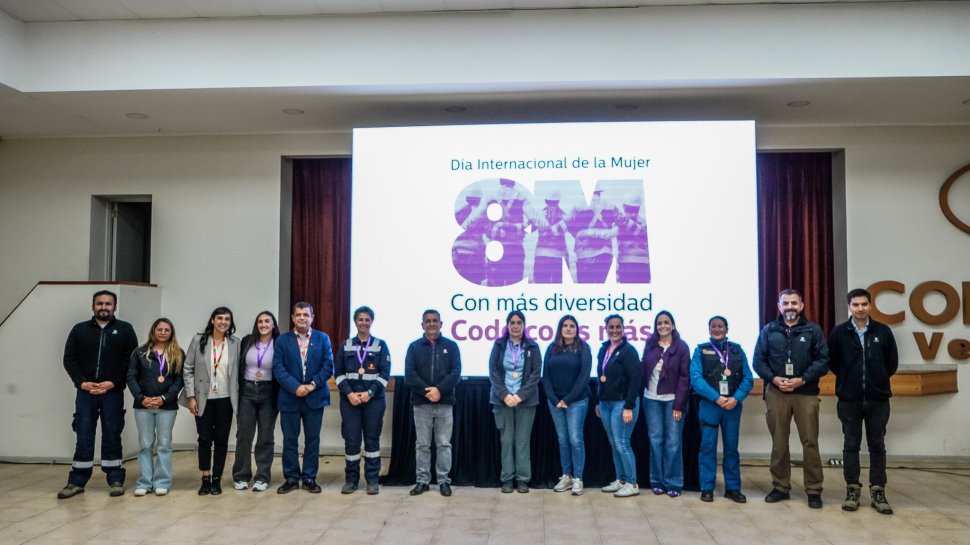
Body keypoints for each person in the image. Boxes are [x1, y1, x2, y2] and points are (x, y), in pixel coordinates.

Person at [753, 289, 830, 508]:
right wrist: (774, 379)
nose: (790, 307)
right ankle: (780, 487)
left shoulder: (813, 330)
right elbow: (758, 360)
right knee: (779, 443)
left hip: (805, 393)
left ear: (802, 305)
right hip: (777, 393)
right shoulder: (768, 330)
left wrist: (802, 380)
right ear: (779, 306)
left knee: (810, 442)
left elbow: (823, 360)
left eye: (794, 303)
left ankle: (814, 490)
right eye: (785, 303)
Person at [58, 290, 139, 499]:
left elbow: (129, 361)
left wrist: (113, 383)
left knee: (112, 434)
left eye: (108, 304)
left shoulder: (125, 330)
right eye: (100, 303)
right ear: (93, 306)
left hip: (112, 393)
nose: (104, 307)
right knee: (83, 434)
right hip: (85, 394)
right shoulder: (79, 330)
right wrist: (82, 382)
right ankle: (76, 481)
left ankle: (115, 479)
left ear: (115, 306)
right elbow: (69, 359)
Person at [828, 289, 899, 515]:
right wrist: (850, 383)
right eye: (856, 305)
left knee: (877, 445)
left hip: (878, 400)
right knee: (851, 445)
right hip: (850, 401)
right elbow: (834, 364)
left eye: (864, 304)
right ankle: (852, 490)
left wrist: (876, 381)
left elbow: (891, 364)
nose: (860, 308)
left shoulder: (883, 332)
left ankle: (878, 491)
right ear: (849, 306)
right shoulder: (839, 333)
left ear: (870, 306)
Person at [689, 315, 754, 503]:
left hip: (732, 406)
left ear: (727, 329)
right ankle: (707, 487)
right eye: (713, 326)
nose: (717, 329)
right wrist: (716, 398)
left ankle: (733, 488)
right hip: (710, 404)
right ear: (709, 330)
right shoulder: (700, 351)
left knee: (731, 448)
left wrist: (736, 398)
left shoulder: (737, 350)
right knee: (707, 447)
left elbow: (748, 379)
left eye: (721, 326)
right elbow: (696, 379)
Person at [273, 302, 333, 494]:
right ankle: (291, 478)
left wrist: (311, 385)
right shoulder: (282, 341)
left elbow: (328, 366)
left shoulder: (323, 339)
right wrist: (295, 387)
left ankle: (309, 477)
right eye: (298, 315)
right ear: (292, 318)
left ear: (312, 317)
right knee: (290, 440)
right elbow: (278, 368)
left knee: (312, 440)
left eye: (305, 315)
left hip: (315, 397)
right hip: (290, 398)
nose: (302, 318)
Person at [181, 306, 240, 496]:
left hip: (225, 399)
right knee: (204, 439)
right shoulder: (199, 340)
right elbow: (188, 368)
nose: (223, 322)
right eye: (220, 318)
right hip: (202, 398)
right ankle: (205, 478)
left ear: (230, 323)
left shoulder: (235, 343)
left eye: (227, 319)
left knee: (221, 440)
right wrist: (191, 397)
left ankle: (217, 479)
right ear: (213, 320)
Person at [405, 309, 461, 497]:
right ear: (422, 325)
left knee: (444, 444)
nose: (431, 324)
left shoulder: (451, 346)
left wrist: (439, 390)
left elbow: (455, 372)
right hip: (421, 403)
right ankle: (423, 481)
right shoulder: (414, 347)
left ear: (441, 324)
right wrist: (427, 391)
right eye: (427, 321)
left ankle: (444, 481)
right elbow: (410, 374)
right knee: (422, 445)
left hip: (445, 403)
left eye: (434, 320)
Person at [335, 306, 391, 495]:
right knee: (351, 441)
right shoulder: (345, 345)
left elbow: (384, 374)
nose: (364, 323)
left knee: (372, 441)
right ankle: (351, 480)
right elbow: (339, 373)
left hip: (373, 401)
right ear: (355, 321)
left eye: (367, 320)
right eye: (360, 319)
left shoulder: (380, 345)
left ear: (371, 322)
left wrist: (370, 393)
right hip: (350, 401)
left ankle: (372, 480)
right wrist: (350, 393)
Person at [127, 318, 184, 496]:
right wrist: (141, 398)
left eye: (167, 330)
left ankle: (162, 481)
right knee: (145, 444)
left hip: (167, 407)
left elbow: (179, 380)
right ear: (153, 331)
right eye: (159, 329)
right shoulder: (140, 352)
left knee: (164, 445)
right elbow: (131, 376)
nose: (163, 332)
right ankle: (144, 482)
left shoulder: (177, 353)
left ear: (171, 333)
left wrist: (164, 398)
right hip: (143, 406)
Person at [489, 310, 542, 493]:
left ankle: (522, 479)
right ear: (507, 325)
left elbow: (536, 374)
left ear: (524, 325)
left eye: (519, 322)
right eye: (512, 322)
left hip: (525, 401)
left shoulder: (533, 347)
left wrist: (520, 395)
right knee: (507, 440)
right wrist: (504, 395)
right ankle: (507, 479)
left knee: (522, 441)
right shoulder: (499, 345)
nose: (516, 325)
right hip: (502, 400)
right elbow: (493, 372)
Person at [640, 310, 691, 497]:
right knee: (655, 441)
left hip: (672, 402)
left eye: (666, 322)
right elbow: (643, 368)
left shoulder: (682, 347)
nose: (662, 326)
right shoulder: (650, 345)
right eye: (659, 323)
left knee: (673, 443)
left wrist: (679, 405)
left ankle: (674, 483)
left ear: (673, 325)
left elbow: (685, 378)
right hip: (651, 400)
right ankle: (657, 481)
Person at [542, 314, 592, 496]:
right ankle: (566, 475)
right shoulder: (552, 348)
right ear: (560, 329)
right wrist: (555, 400)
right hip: (555, 402)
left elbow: (584, 377)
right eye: (565, 326)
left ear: (577, 329)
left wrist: (568, 399)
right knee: (562, 440)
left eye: (572, 326)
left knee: (575, 439)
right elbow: (545, 376)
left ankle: (578, 478)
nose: (569, 328)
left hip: (577, 402)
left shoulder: (583, 348)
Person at [231, 311, 280, 492]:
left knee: (266, 436)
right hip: (247, 391)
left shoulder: (279, 343)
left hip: (269, 392)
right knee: (244, 435)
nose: (263, 324)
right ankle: (241, 476)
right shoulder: (247, 341)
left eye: (267, 321)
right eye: (260, 321)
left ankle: (262, 477)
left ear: (273, 324)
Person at [596, 314, 643, 497]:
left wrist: (629, 406)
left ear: (623, 329)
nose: (614, 330)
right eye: (611, 327)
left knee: (622, 443)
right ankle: (621, 479)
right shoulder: (603, 349)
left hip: (623, 404)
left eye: (618, 327)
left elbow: (636, 379)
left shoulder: (629, 351)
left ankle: (632, 483)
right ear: (606, 329)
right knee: (614, 443)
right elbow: (600, 378)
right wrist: (598, 401)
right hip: (606, 403)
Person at [533, 190, 571, 284]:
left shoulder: (538, 215)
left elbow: (528, 229)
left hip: (542, 255)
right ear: (558, 202)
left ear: (546, 201)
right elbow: (574, 232)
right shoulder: (565, 216)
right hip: (559, 256)